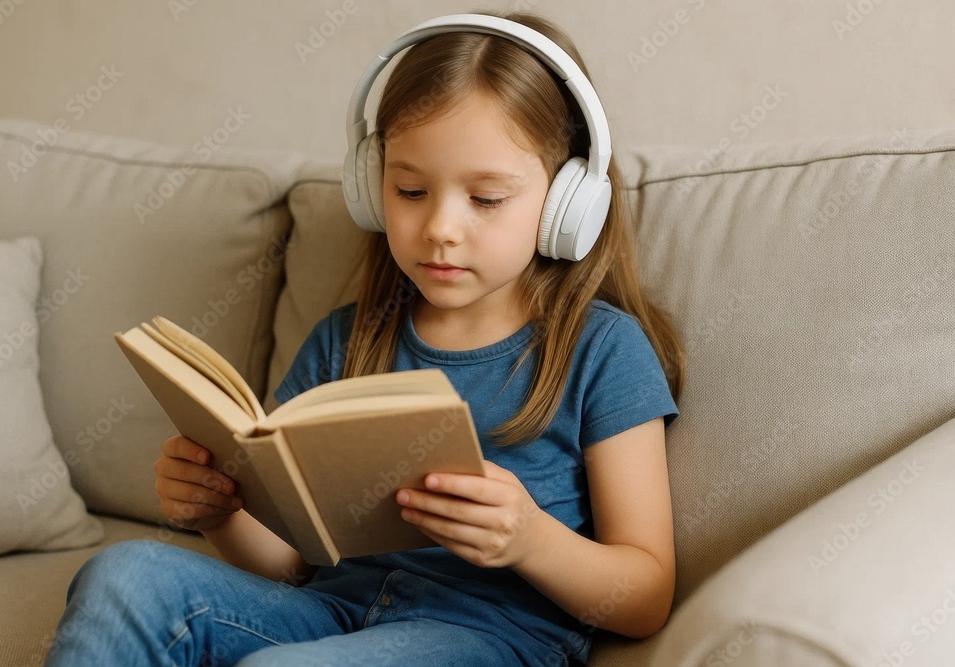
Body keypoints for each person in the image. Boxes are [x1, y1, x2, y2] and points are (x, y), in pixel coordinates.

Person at [45, 10, 684, 667]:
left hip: (486, 637)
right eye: (410, 190)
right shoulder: (346, 341)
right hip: (330, 614)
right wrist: (219, 512)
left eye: (486, 199)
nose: (440, 227)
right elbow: (291, 560)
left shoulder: (602, 349)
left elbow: (646, 595)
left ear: (567, 206)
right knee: (124, 574)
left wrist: (528, 538)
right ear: (371, 190)